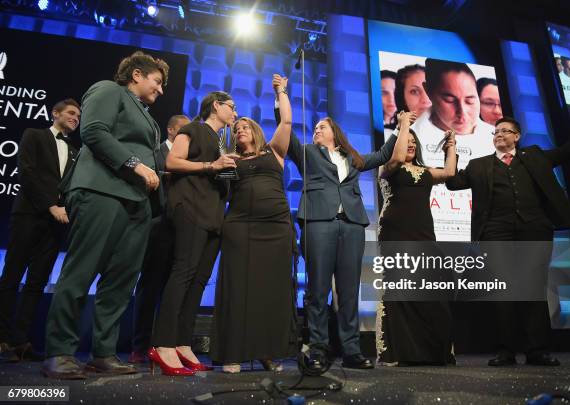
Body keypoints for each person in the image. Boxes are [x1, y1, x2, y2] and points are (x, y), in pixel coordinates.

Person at [43, 51, 167, 379]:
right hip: (102, 191)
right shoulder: (109, 90)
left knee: (121, 282)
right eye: (157, 81)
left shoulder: (148, 117)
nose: (160, 89)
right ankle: (59, 352)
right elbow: (95, 132)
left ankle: (104, 353)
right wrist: (135, 165)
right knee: (81, 270)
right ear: (137, 75)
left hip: (137, 203)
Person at [446, 100, 570, 367]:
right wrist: (452, 150)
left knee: (532, 290)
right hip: (494, 232)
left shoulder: (536, 156)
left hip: (534, 229)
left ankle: (537, 350)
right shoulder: (479, 165)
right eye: (496, 132)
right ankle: (505, 351)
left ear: (516, 136)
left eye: (504, 131)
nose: (499, 135)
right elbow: (452, 183)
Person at [279, 105, 399, 373]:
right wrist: (280, 99)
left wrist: (400, 128)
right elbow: (287, 135)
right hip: (319, 222)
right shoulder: (308, 153)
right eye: (315, 129)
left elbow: (382, 155)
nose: (316, 131)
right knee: (318, 290)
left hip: (352, 226)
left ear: (335, 132)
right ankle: (318, 350)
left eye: (322, 126)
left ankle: (352, 351)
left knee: (348, 291)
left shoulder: (353, 158)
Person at [148, 91, 238, 376]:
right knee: (183, 272)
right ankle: (162, 344)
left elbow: (220, 177)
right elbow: (172, 162)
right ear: (216, 106)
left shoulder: (223, 142)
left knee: (199, 280)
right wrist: (210, 166)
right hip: (191, 207)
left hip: (213, 214)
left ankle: (181, 342)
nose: (235, 113)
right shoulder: (194, 129)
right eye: (231, 107)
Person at [211, 74, 296, 373]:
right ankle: (233, 352)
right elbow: (222, 194)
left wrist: (281, 91)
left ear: (256, 131)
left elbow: (286, 123)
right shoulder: (229, 159)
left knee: (271, 291)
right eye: (237, 127)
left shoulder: (274, 152)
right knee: (238, 289)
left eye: (246, 126)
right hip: (241, 226)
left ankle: (268, 352)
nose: (241, 129)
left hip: (275, 228)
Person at [0, 99, 80, 362]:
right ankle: (2, 340)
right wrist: (50, 205)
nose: (75, 118)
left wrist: (63, 209)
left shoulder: (75, 150)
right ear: (55, 113)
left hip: (55, 224)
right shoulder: (33, 135)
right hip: (29, 215)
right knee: (11, 277)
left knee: (37, 283)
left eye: (78, 116)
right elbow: (27, 173)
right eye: (70, 113)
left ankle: (21, 341)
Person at [376, 111, 457, 366]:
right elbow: (398, 156)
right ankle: (401, 352)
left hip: (424, 234)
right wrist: (402, 125)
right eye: (405, 139)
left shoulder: (424, 172)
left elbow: (450, 173)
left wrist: (452, 146)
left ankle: (431, 351)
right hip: (395, 232)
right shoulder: (388, 167)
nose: (410, 143)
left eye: (413, 141)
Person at [129, 114, 191, 364]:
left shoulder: (189, 160)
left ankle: (164, 344)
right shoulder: (154, 152)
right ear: (171, 130)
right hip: (157, 227)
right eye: (185, 131)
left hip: (182, 230)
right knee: (150, 285)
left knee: (172, 289)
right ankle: (140, 346)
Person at [411, 58, 494, 170]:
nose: (462, 112)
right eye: (449, 100)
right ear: (428, 91)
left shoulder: (496, 136)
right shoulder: (409, 139)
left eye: (470, 100)